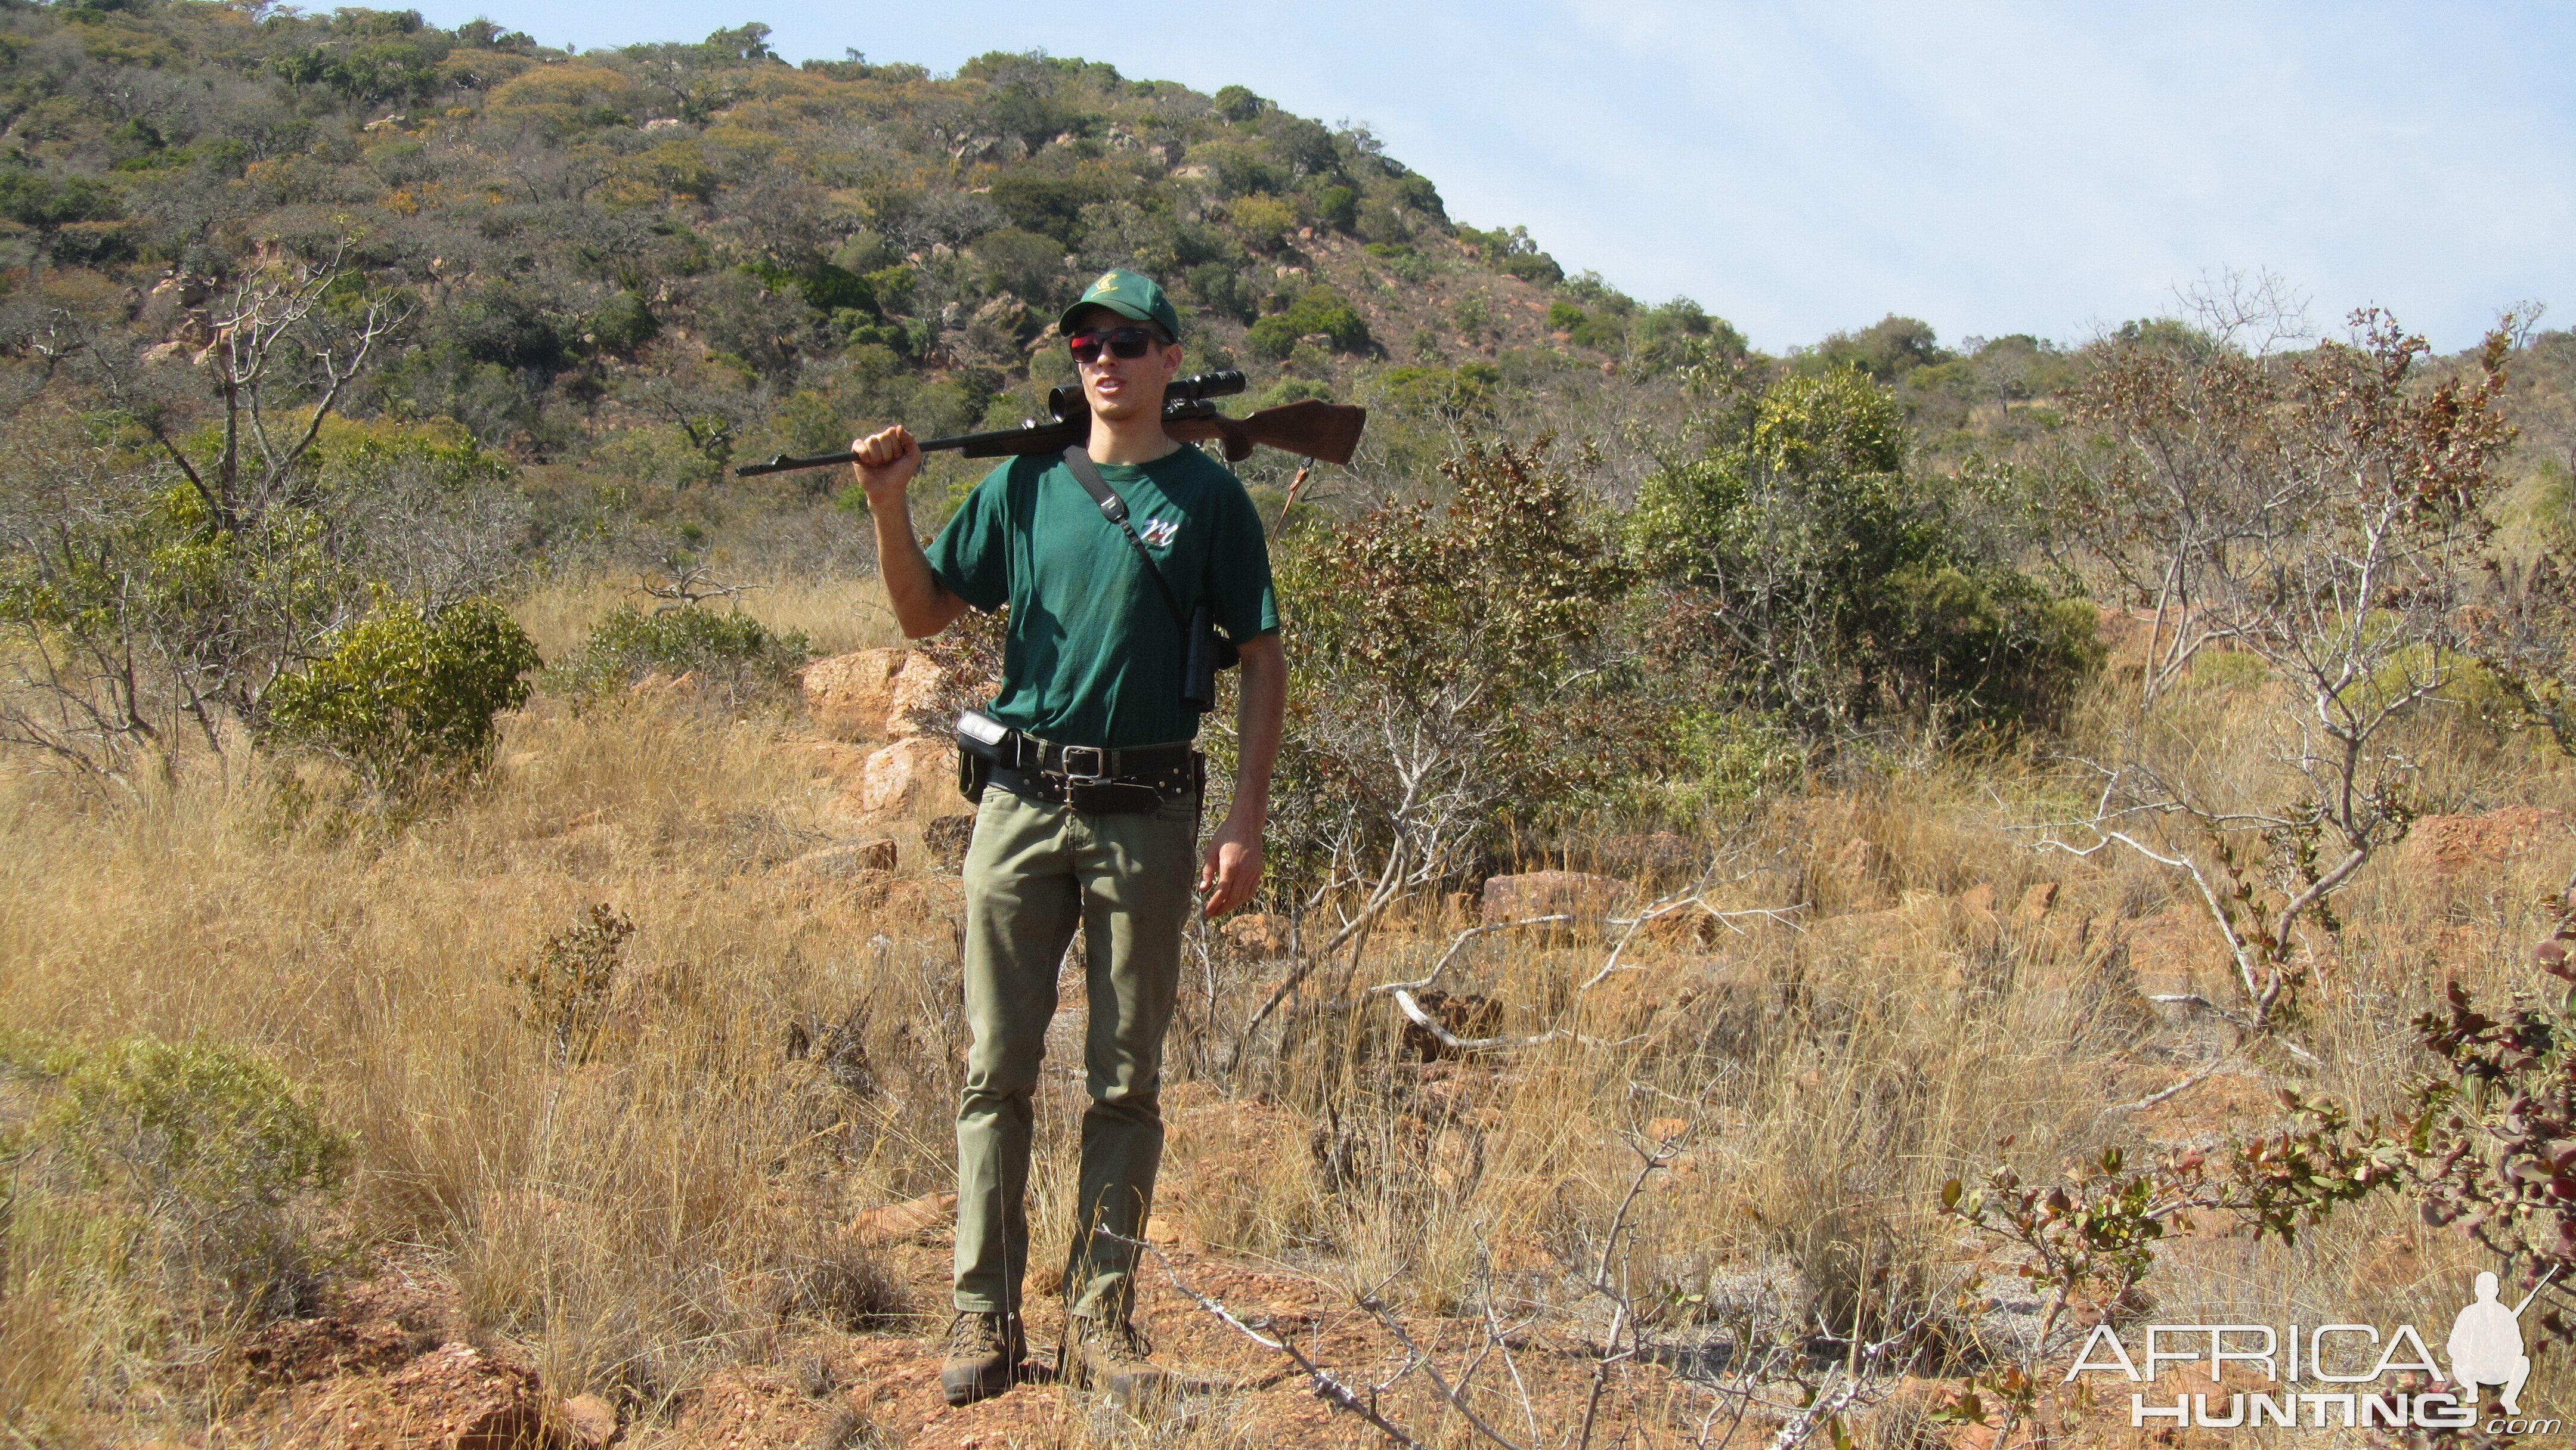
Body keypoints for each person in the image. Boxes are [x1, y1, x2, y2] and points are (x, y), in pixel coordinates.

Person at [845, 269, 1286, 1408]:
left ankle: (1101, 1325)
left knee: (1125, 1081)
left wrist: (1245, 817)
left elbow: (1263, 657)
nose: (1106, 358)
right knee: (995, 1072)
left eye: (1131, 341)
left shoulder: (1212, 500)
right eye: (1088, 340)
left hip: (1149, 814)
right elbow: (922, 612)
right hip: (1021, 806)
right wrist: (889, 504)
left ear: (1169, 360)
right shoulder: (1027, 483)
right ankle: (983, 1317)